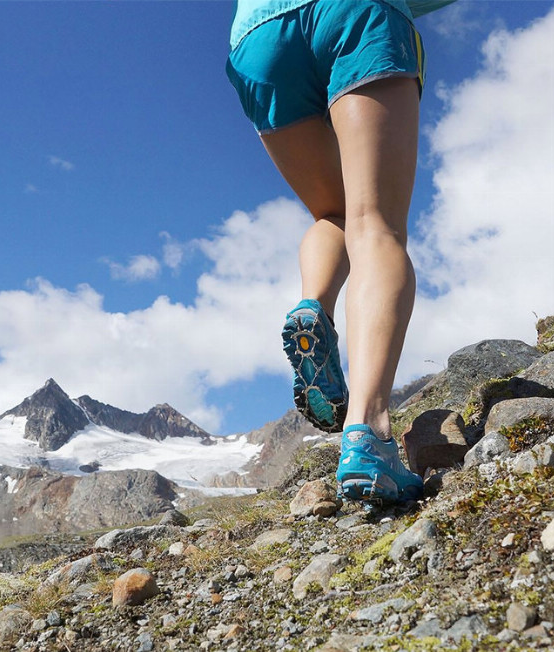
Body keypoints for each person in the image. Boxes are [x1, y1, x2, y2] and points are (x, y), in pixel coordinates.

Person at [226, 0, 454, 505]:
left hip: (258, 38)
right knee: (377, 225)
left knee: (335, 212)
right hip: (355, 13)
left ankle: (314, 306)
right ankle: (368, 432)